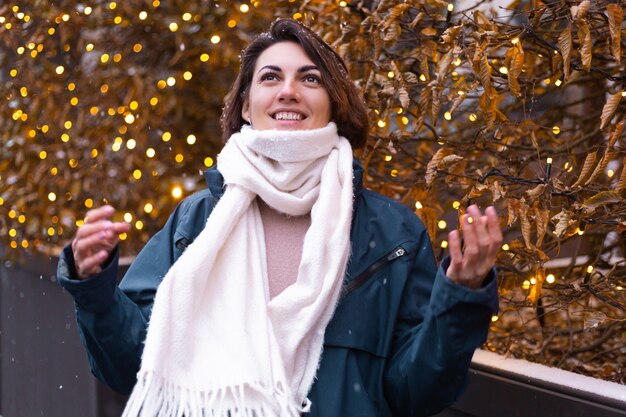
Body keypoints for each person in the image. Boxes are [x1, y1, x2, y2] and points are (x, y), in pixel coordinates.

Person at [58, 18, 502, 417]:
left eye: (309, 79)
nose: (288, 90)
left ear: (334, 103)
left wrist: (460, 295)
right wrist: (92, 287)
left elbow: (416, 392)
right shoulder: (196, 222)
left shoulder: (393, 233)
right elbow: (134, 364)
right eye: (270, 77)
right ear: (247, 107)